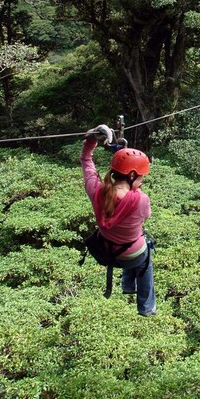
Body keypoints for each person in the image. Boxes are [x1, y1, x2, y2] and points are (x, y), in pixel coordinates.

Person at [80, 125, 156, 316]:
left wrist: (91, 140)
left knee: (134, 248)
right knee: (145, 259)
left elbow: (86, 161)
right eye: (140, 178)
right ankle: (146, 307)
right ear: (131, 175)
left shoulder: (97, 191)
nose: (142, 182)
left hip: (106, 250)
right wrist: (135, 191)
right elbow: (147, 216)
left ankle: (128, 286)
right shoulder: (141, 200)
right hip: (132, 256)